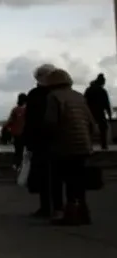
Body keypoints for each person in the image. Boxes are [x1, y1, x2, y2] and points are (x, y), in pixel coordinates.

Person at [43, 68, 97, 225]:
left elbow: (51, 122)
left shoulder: (53, 97)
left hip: (63, 145)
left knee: (58, 179)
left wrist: (47, 140)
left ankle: (63, 213)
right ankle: (82, 211)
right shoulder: (79, 96)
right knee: (78, 180)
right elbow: (91, 123)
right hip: (83, 145)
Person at [22, 63, 56, 218]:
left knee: (44, 176)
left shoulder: (35, 94)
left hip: (41, 140)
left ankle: (46, 207)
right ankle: (60, 207)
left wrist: (28, 141)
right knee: (57, 176)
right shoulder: (60, 93)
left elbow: (30, 120)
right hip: (59, 139)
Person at [84, 73, 112, 150]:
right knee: (103, 128)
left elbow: (84, 102)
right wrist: (109, 115)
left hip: (90, 112)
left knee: (89, 129)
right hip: (99, 112)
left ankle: (89, 145)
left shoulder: (89, 90)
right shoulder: (102, 91)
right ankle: (104, 145)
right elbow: (106, 104)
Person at [7, 93, 28, 169]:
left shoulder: (15, 109)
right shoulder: (27, 110)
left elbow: (10, 121)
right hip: (24, 133)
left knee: (18, 150)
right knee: (23, 150)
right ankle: (20, 165)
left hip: (16, 133)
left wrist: (9, 129)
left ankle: (16, 164)